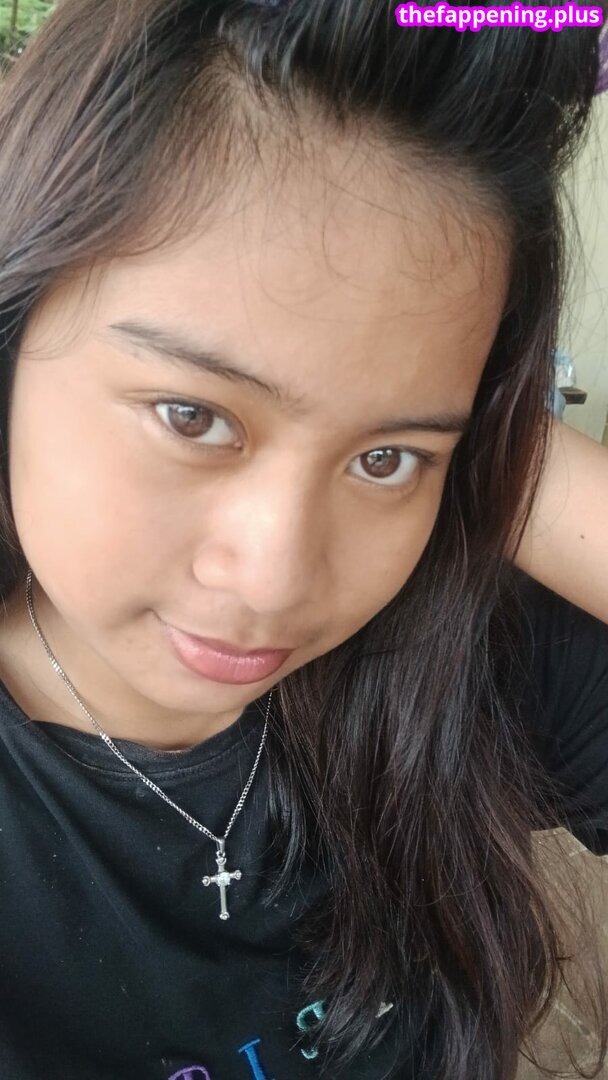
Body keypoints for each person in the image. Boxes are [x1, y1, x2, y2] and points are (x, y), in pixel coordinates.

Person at [0, 1, 606, 1078]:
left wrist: (493, 439)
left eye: (388, 459)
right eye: (192, 416)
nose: (275, 580)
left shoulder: (463, 645)